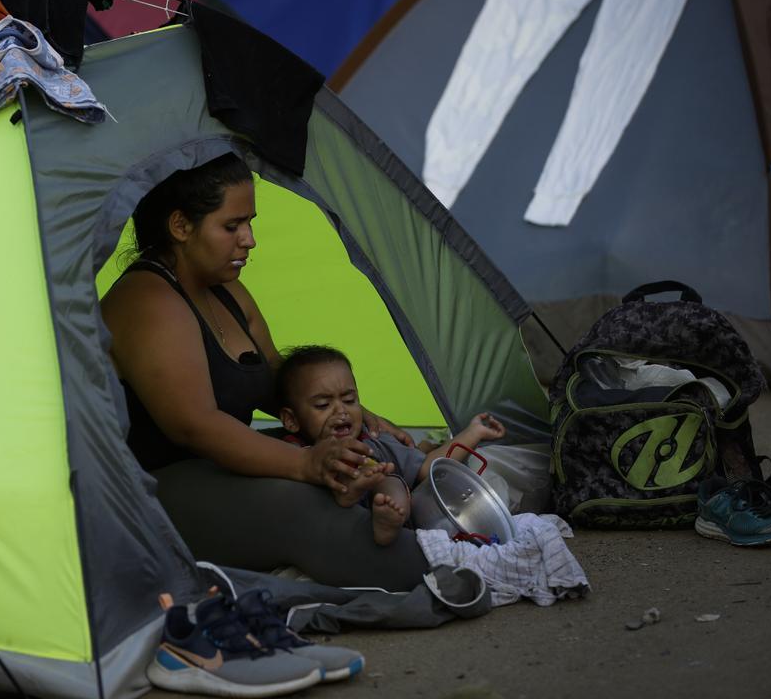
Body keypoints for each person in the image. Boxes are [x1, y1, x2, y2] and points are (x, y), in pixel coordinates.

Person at [101, 153, 444, 589]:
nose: (250, 240)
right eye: (232, 226)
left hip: (217, 470)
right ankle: (449, 568)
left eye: (250, 222)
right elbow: (196, 426)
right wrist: (304, 463)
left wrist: (360, 418)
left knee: (362, 460)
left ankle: (446, 534)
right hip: (155, 491)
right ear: (181, 226)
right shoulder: (148, 301)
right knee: (307, 500)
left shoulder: (226, 289)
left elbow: (278, 380)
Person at [275, 345, 506, 546]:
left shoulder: (375, 443)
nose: (341, 410)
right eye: (323, 405)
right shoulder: (290, 453)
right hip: (324, 529)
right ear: (292, 420)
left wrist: (474, 432)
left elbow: (426, 468)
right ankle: (347, 487)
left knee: (388, 477)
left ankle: (390, 516)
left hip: (375, 516)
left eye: (349, 400)